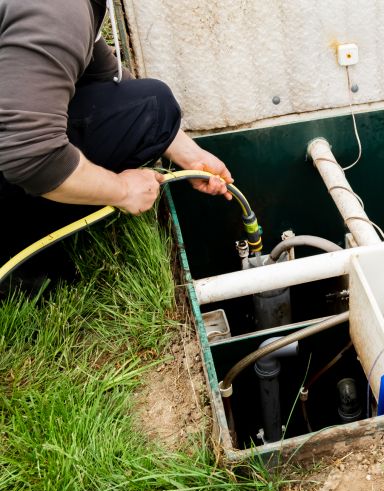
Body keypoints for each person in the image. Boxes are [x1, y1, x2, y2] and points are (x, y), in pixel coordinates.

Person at [0, 0, 232, 286]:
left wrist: (192, 156)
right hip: (14, 157)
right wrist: (123, 190)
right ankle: (15, 250)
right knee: (155, 106)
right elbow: (30, 156)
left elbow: (106, 80)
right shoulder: (60, 10)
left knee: (153, 107)